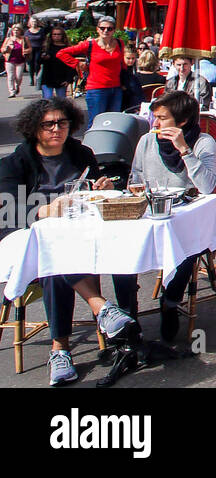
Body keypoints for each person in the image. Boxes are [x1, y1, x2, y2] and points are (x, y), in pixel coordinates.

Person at [0, 99, 139, 385]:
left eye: (62, 123)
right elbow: (7, 209)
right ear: (34, 129)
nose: (57, 129)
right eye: (48, 124)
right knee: (52, 257)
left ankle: (65, 350)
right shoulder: (15, 162)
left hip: (80, 235)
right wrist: (43, 210)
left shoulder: (81, 153)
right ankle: (98, 311)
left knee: (121, 244)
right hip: (29, 242)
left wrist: (105, 184)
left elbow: (94, 188)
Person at [116, 90, 216, 340]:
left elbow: (207, 186)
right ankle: (127, 313)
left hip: (183, 214)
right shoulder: (146, 142)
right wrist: (133, 187)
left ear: (181, 122)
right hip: (148, 212)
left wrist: (184, 150)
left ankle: (170, 302)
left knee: (187, 244)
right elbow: (137, 176)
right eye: (155, 117)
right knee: (118, 249)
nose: (155, 123)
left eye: (162, 118)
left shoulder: (203, 142)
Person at [58, 16, 125, 122]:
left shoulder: (120, 43)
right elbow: (61, 53)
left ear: (114, 30)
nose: (106, 31)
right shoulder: (90, 45)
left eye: (109, 28)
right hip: (97, 89)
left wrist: (125, 81)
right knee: (96, 121)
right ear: (97, 29)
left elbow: (122, 63)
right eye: (102, 28)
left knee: (113, 121)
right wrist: (77, 63)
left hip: (116, 88)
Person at [38, 26, 76, 100]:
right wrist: (44, 58)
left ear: (62, 36)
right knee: (47, 99)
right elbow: (38, 61)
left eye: (59, 34)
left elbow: (72, 65)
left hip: (61, 78)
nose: (56, 36)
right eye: (54, 34)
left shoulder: (67, 48)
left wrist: (69, 79)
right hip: (48, 77)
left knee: (61, 101)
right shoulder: (46, 47)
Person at [3, 23, 30, 98]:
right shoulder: (8, 39)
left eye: (17, 30)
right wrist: (5, 49)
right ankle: (12, 91)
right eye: (14, 30)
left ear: (20, 31)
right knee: (11, 76)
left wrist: (26, 51)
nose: (15, 32)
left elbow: (30, 48)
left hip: (20, 60)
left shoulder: (24, 39)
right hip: (9, 60)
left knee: (18, 76)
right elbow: (2, 49)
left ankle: (17, 86)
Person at [119, 45, 145, 113]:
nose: (131, 61)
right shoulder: (120, 70)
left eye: (133, 58)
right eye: (128, 58)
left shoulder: (132, 69)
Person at [24, 16, 46, 89]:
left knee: (37, 63)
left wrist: (44, 48)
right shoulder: (27, 32)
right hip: (30, 49)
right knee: (30, 64)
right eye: (32, 22)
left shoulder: (41, 31)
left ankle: (37, 78)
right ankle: (31, 79)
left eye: (35, 22)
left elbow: (44, 40)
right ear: (30, 23)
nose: (34, 23)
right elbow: (25, 41)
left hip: (39, 49)